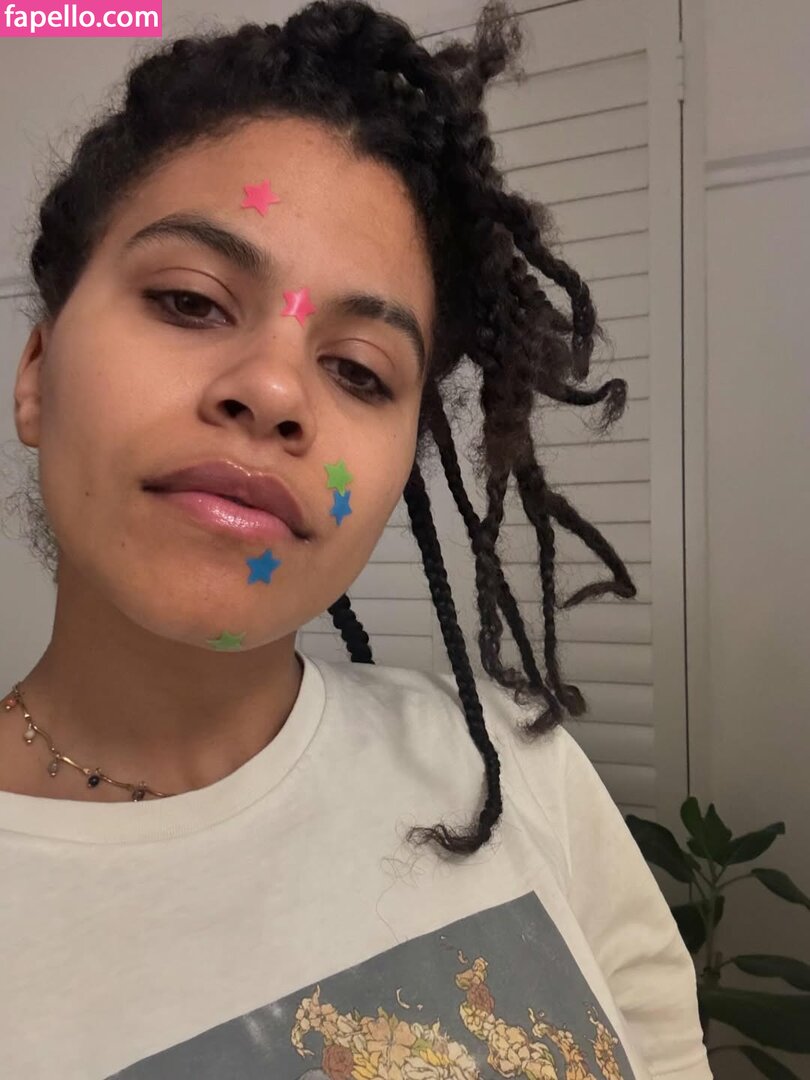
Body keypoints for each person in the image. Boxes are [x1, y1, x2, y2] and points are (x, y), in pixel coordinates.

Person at [0, 1, 713, 1077]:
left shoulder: (515, 769)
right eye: (191, 302)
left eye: (359, 371)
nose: (275, 390)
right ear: (37, 375)